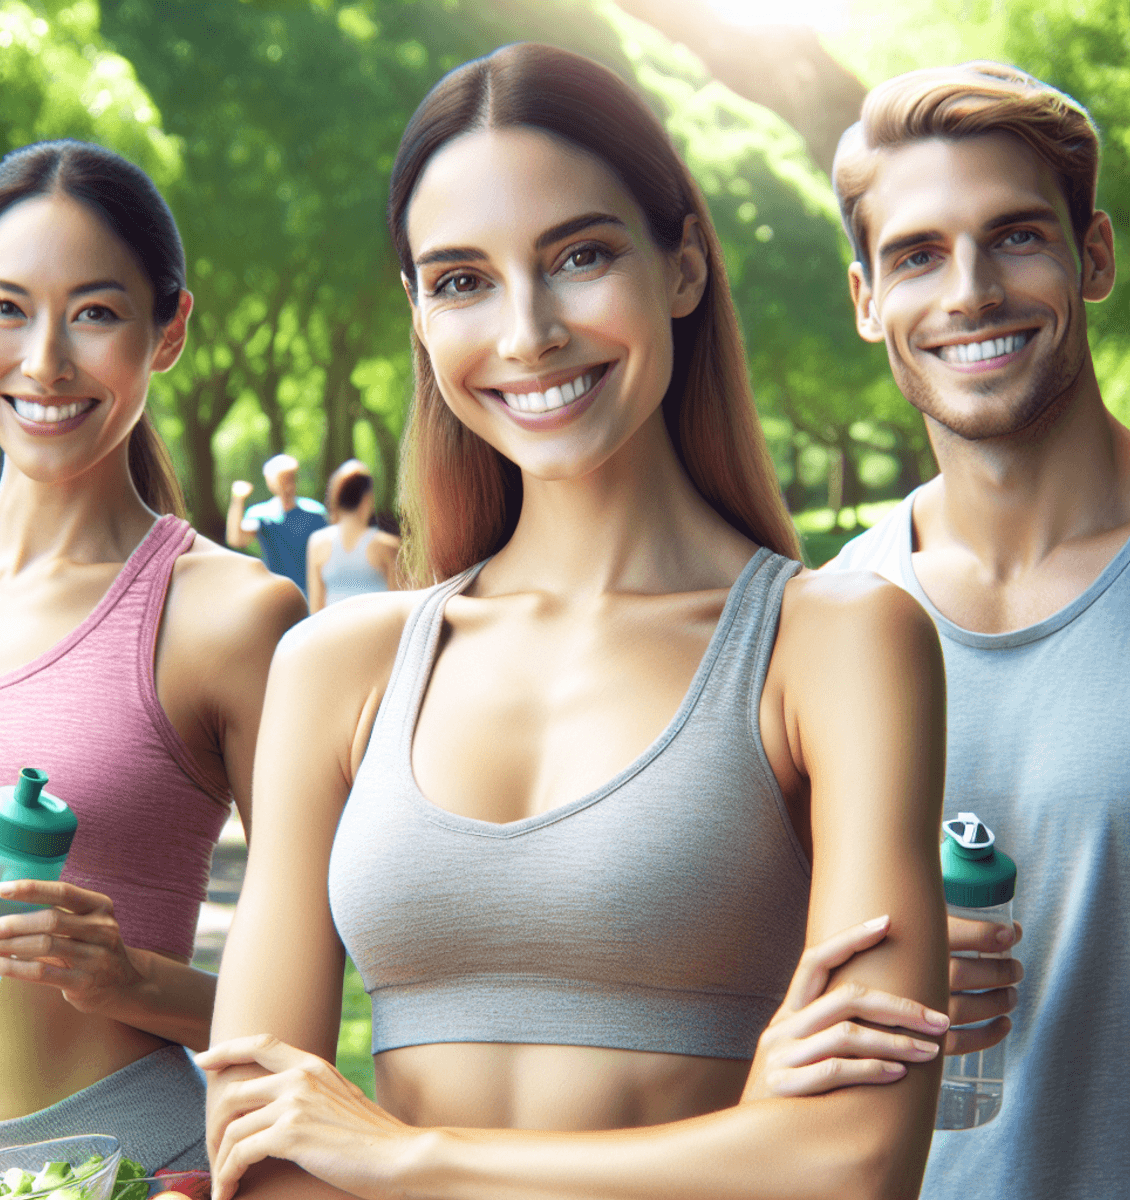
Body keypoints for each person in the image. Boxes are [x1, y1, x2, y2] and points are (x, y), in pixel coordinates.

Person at [199, 44, 954, 1200]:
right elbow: (260, 1144)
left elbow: (853, 1162)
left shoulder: (840, 643)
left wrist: (405, 1158)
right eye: (461, 280)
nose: (527, 331)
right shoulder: (336, 667)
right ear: (416, 312)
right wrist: (743, 1136)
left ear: (685, 265)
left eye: (580, 256)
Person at [0, 141, 306, 1173]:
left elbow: (313, 1017)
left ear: (170, 330)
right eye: (6, 307)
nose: (45, 360)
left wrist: (128, 978)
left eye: (95, 312)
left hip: (131, 1168)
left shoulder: (231, 616)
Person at [820, 63, 1130, 1200]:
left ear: (1092, 257)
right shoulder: (820, 622)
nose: (970, 292)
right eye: (917, 255)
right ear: (865, 300)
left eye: (1015, 238)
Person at [305, 460, 400, 612]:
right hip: (378, 633)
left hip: (333, 634)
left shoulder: (317, 543)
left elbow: (315, 608)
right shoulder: (387, 546)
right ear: (367, 498)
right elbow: (401, 606)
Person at [226, 455, 327, 595]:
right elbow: (236, 540)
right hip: (279, 594)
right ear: (270, 483)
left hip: (314, 591)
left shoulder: (316, 513)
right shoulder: (260, 515)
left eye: (290, 479)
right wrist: (237, 501)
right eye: (282, 481)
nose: (287, 486)